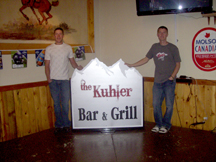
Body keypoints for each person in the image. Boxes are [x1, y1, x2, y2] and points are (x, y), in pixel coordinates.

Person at [125, 26, 181, 133]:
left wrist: (172, 77)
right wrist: (132, 65)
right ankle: (158, 124)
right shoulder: (154, 47)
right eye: (160, 33)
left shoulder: (173, 48)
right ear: (157, 34)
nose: (162, 35)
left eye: (164, 33)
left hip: (169, 81)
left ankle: (166, 125)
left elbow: (178, 64)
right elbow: (145, 59)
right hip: (157, 82)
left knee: (169, 105)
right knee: (156, 104)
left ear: (167, 34)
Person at [45, 27, 83, 134]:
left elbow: (72, 62)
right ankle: (59, 125)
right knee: (57, 104)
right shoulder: (49, 49)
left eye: (60, 34)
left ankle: (66, 124)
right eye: (56, 34)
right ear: (54, 36)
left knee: (65, 104)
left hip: (65, 80)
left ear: (63, 35)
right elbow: (46, 65)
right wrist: (48, 79)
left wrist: (78, 67)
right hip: (53, 81)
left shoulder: (68, 48)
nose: (58, 36)